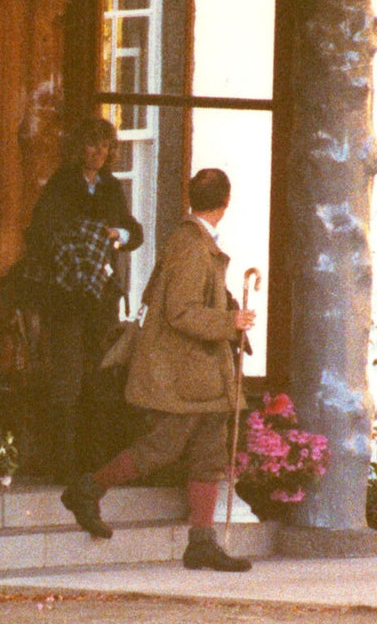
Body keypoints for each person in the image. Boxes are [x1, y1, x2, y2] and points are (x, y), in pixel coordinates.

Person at [61, 167, 256, 571]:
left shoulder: (196, 241)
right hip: (183, 372)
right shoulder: (190, 244)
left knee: (209, 454)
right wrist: (229, 323)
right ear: (226, 201)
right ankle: (88, 488)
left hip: (201, 374)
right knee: (163, 446)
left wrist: (228, 316)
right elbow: (181, 311)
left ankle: (201, 542)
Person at [23, 116, 144, 481]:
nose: (99, 153)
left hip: (100, 299)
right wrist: (76, 240)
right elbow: (40, 230)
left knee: (98, 376)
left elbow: (132, 231)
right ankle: (64, 465)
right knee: (68, 379)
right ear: (81, 148)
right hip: (66, 298)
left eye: (105, 147)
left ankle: (94, 462)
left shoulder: (109, 186)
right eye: (93, 145)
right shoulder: (62, 183)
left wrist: (115, 234)